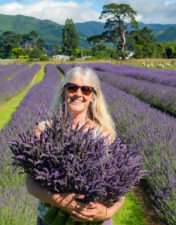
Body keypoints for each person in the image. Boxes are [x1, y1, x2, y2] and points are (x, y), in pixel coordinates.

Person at [25, 66, 125, 225]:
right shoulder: (44, 130)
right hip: (51, 219)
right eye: (72, 88)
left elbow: (121, 186)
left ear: (93, 96)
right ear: (64, 92)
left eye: (85, 90)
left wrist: (107, 212)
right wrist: (62, 202)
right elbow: (31, 183)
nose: (78, 94)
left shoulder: (105, 135)